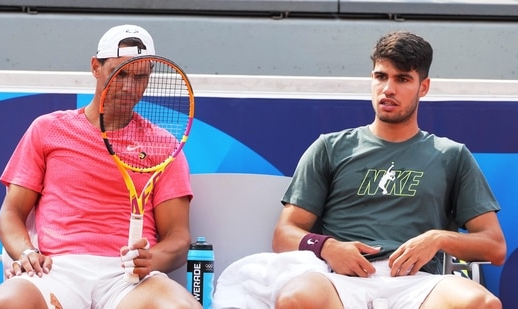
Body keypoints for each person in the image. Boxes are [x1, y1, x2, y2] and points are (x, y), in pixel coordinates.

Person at [214, 31, 507, 309]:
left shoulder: (451, 155)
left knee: (483, 303)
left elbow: (494, 247)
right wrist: (328, 247)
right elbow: (284, 234)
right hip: (338, 279)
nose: (388, 89)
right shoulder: (330, 147)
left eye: (403, 79)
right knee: (296, 298)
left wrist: (438, 238)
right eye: (381, 77)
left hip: (418, 283)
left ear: (424, 87)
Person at [0, 24, 201, 309]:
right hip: (56, 270)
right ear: (95, 67)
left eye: (140, 77)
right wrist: (26, 252)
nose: (129, 87)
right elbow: (10, 214)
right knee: (1, 305)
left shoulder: (164, 145)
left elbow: (178, 237)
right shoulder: (47, 129)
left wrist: (152, 259)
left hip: (128, 278)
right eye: (119, 74)